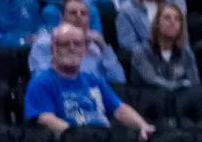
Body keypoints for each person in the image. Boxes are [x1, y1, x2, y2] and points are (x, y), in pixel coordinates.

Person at [25, 23, 155, 136]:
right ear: (53, 49)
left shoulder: (94, 79)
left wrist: (143, 126)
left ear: (84, 49)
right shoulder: (41, 83)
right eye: (65, 44)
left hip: (103, 139)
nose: (72, 48)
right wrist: (81, 137)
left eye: (77, 44)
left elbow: (119, 109)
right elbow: (46, 119)